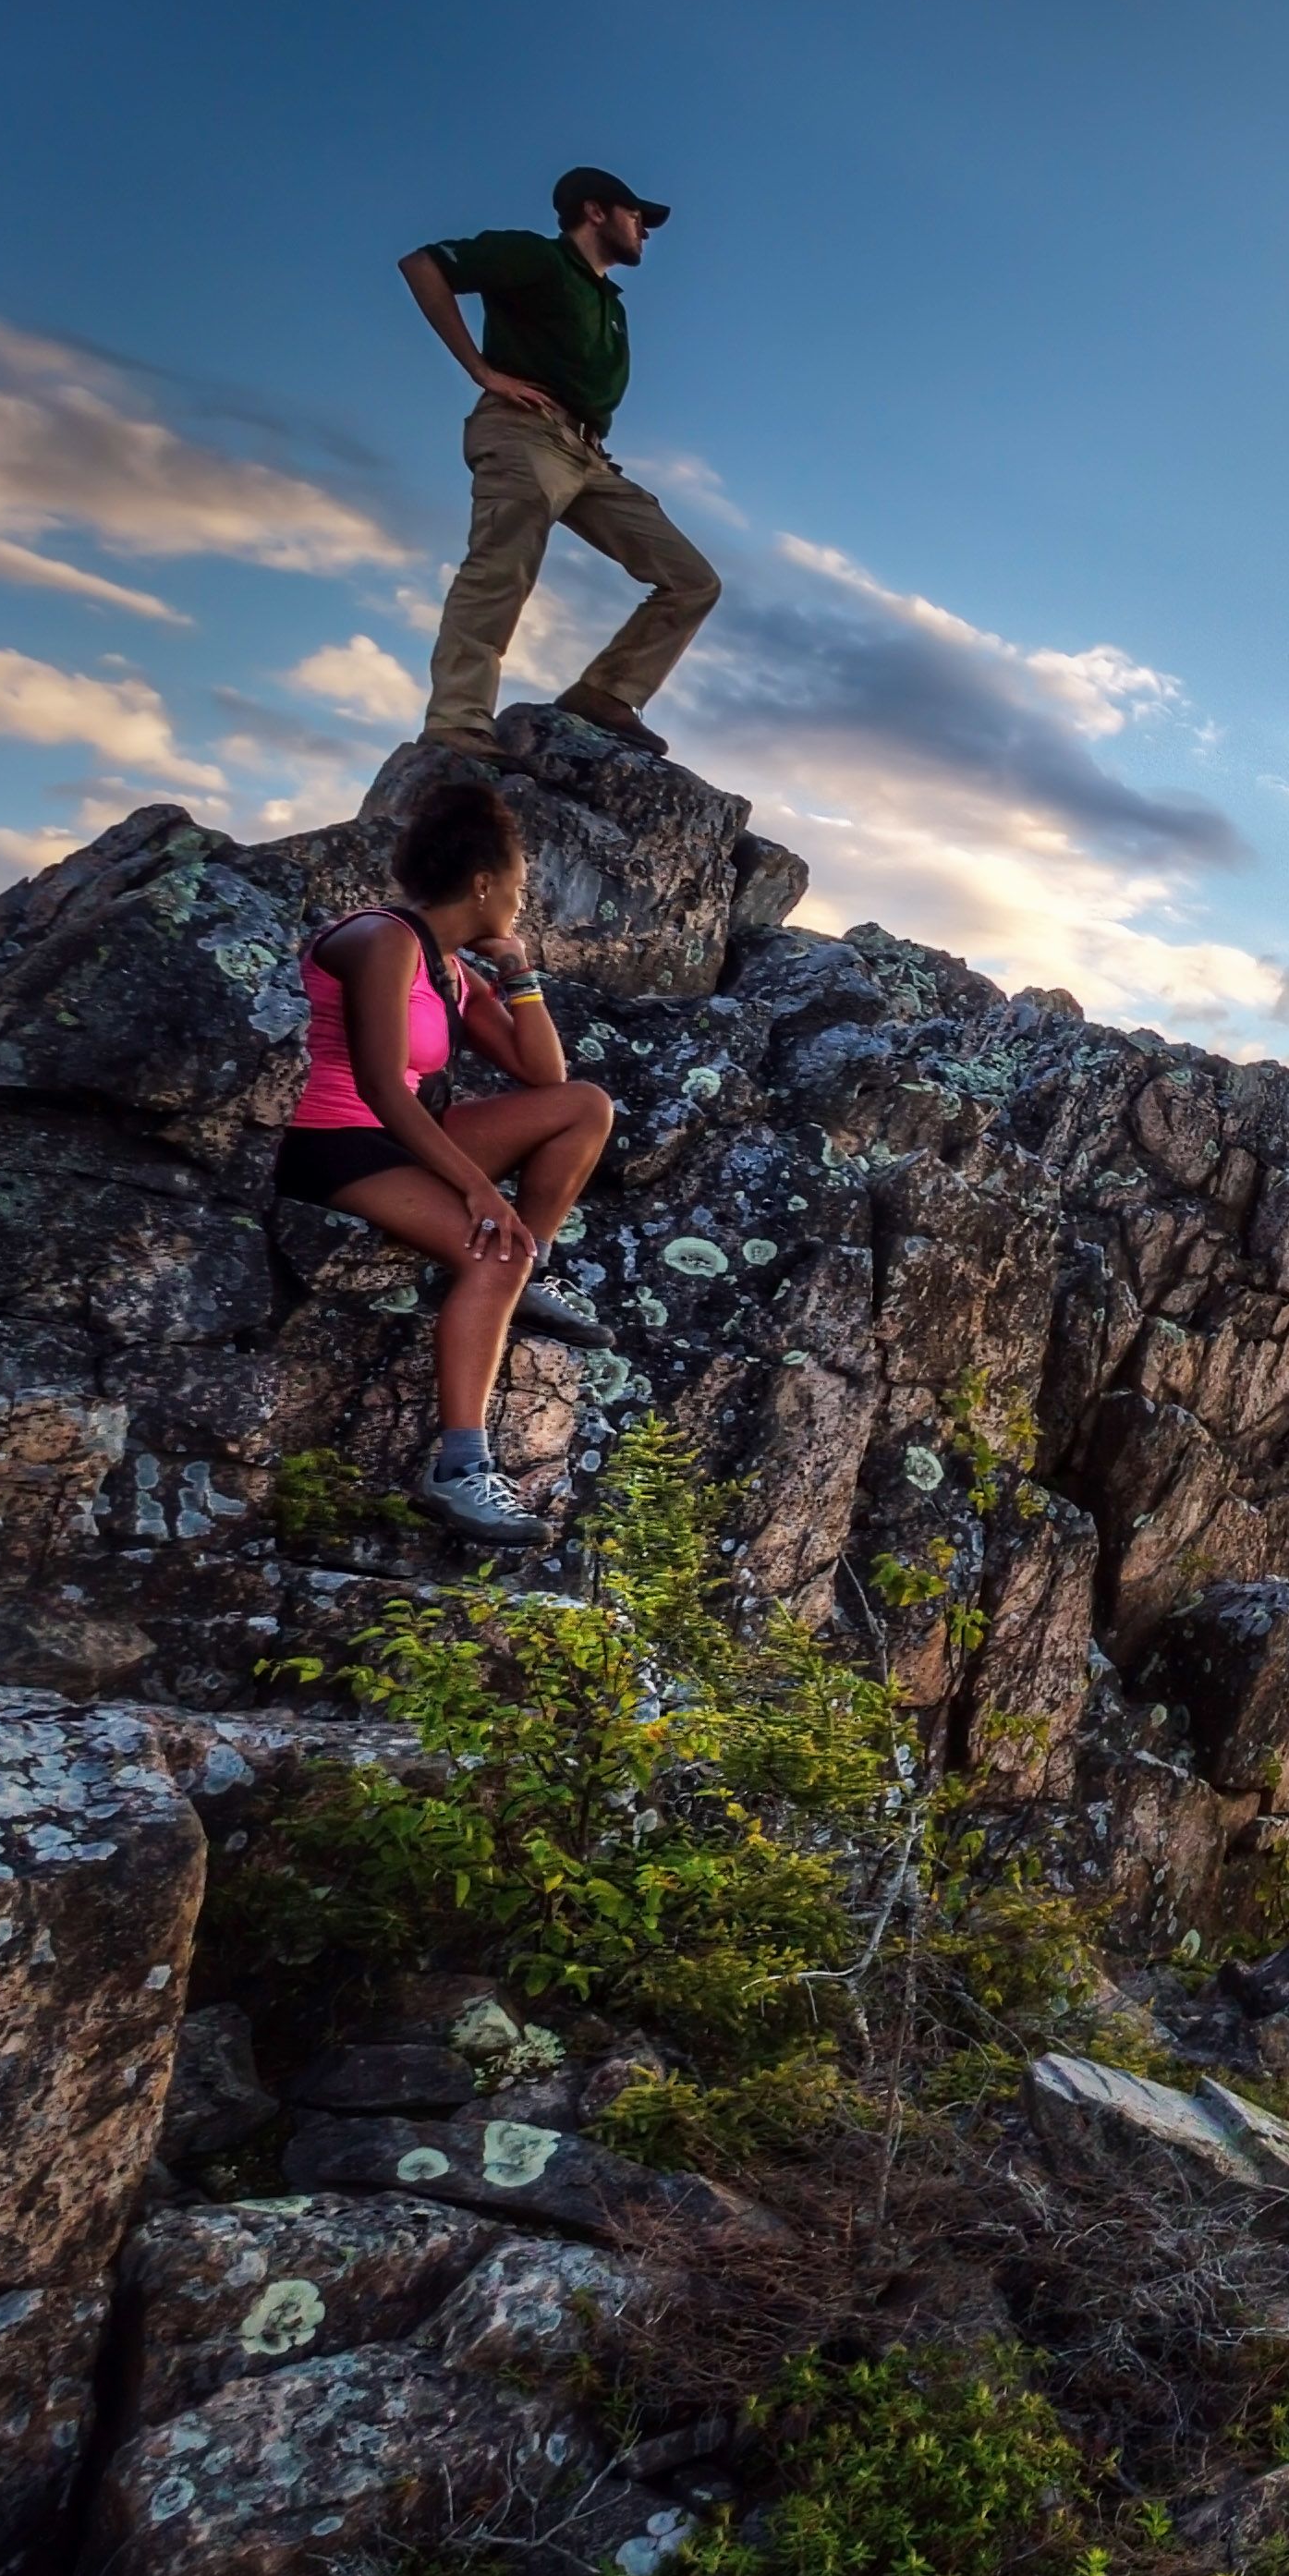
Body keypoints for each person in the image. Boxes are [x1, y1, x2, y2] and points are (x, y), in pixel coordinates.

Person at [279, 778, 621, 1547]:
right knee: (491, 1255)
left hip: (405, 1133)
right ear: (483, 883)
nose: (522, 901)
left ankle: (529, 1265)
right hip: (335, 1138)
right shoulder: (380, 939)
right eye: (521, 888)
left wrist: (520, 973)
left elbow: (546, 1078)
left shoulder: (449, 968)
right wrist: (478, 1194)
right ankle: (461, 1471)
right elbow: (378, 1083)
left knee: (585, 1107)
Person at [400, 167, 718, 760]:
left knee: (693, 580)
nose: (644, 230)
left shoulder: (609, 302)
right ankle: (457, 719)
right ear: (595, 212)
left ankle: (605, 694)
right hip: (525, 433)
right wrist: (482, 370)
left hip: (589, 455)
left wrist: (591, 444)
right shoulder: (536, 258)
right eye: (635, 216)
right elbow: (423, 265)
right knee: (502, 568)